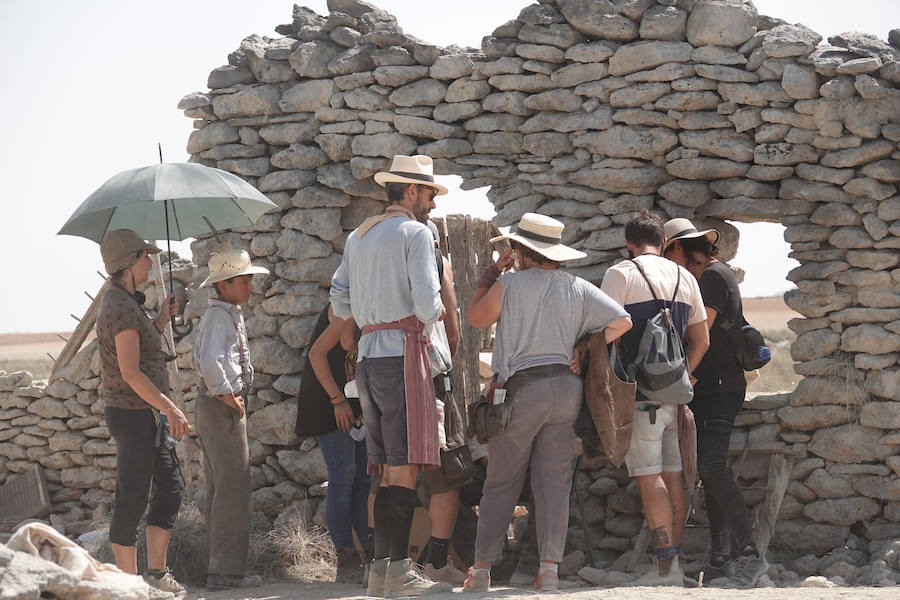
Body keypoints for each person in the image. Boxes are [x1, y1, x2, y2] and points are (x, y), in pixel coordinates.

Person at [464, 213, 632, 593]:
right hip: (566, 390)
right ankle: (550, 571)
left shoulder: (508, 284)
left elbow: (476, 318)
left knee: (501, 482)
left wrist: (491, 274)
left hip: (523, 392)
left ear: (519, 250)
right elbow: (623, 321)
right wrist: (586, 345)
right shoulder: (576, 286)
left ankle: (481, 571)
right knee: (553, 483)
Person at [330, 154, 452, 598]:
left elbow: (338, 302)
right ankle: (399, 573)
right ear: (412, 190)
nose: (433, 204)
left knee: (384, 469)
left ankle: (382, 571)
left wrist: (371, 308)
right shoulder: (416, 233)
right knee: (403, 469)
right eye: (430, 193)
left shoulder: (357, 236)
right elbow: (427, 304)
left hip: (367, 356)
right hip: (403, 354)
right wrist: (432, 313)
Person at [599, 210, 709, 587]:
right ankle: (673, 567)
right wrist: (683, 377)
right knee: (674, 476)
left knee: (649, 478)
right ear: (663, 243)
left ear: (628, 244)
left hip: (637, 395)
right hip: (674, 398)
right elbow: (702, 340)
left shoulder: (621, 274)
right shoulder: (684, 276)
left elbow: (607, 330)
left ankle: (663, 569)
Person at [662, 218, 768, 586]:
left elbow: (698, 331)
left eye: (667, 253)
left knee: (711, 466)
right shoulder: (711, 275)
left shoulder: (711, 277)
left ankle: (749, 553)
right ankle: (721, 555)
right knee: (709, 469)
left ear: (677, 249)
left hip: (719, 387)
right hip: (711, 387)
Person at [96, 229, 188, 597]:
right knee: (132, 496)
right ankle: (129, 587)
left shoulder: (128, 302)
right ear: (127, 264)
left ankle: (155, 573)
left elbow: (143, 347)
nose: (150, 261)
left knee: (170, 487)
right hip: (134, 415)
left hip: (146, 415)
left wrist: (162, 319)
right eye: (144, 257)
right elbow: (131, 371)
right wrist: (172, 409)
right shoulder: (119, 307)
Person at [193, 248, 268, 591]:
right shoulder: (219, 318)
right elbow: (211, 361)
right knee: (232, 488)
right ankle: (224, 573)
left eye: (251, 280)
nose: (250, 286)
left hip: (221, 404)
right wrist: (227, 395)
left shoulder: (227, 314)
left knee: (223, 487)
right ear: (223, 285)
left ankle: (220, 568)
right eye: (244, 280)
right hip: (220, 406)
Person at [296, 302, 370, 584]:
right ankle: (346, 557)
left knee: (364, 478)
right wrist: (338, 401)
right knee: (342, 476)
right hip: (329, 401)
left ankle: (369, 554)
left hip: (354, 401)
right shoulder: (347, 306)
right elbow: (318, 354)